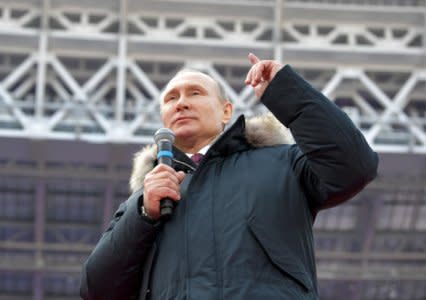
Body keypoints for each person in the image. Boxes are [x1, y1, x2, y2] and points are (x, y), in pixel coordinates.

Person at [80, 53, 378, 300]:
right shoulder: (145, 200)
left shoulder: (283, 163)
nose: (181, 103)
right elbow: (97, 289)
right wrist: (143, 214)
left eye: (195, 93)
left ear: (227, 111)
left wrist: (287, 92)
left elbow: (354, 167)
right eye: (171, 98)